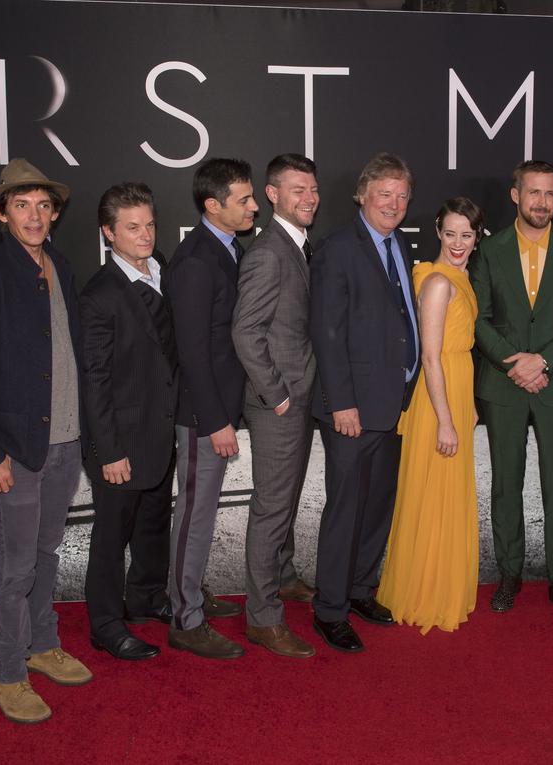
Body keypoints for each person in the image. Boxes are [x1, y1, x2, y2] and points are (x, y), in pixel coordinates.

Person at [0, 158, 92, 725]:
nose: (34, 216)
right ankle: (7, 673)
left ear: (54, 213)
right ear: (1, 213)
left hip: (65, 442)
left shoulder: (61, 266)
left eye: (43, 205)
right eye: (22, 205)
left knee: (46, 553)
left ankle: (42, 643)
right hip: (14, 450)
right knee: (16, 567)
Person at [471, 160, 553, 623]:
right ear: (516, 195)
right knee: (506, 485)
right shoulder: (489, 250)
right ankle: (509, 574)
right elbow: (479, 318)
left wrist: (542, 361)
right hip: (504, 385)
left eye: (550, 193)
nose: (542, 202)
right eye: (534, 192)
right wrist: (515, 363)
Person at [309, 152, 420, 653]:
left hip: (393, 404)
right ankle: (330, 609)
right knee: (346, 510)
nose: (393, 204)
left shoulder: (400, 244)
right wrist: (341, 403)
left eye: (402, 196)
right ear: (362, 196)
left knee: (377, 507)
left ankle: (359, 589)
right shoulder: (338, 248)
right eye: (384, 194)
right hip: (353, 409)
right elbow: (327, 333)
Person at [79, 183, 174, 661]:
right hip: (120, 442)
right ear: (109, 233)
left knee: (154, 525)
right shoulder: (100, 295)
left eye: (150, 225)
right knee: (111, 538)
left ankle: (147, 598)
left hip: (159, 432)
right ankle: (105, 624)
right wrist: (109, 451)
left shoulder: (161, 270)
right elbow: (94, 381)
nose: (145, 235)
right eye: (133, 228)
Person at [378, 197, 482, 634]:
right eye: (450, 233)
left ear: (477, 237)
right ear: (438, 232)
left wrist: (466, 404)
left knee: (444, 494)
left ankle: (438, 585)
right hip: (438, 397)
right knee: (433, 495)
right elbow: (431, 357)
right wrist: (445, 419)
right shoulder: (438, 282)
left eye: (466, 234)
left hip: (455, 391)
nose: (458, 243)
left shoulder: (457, 275)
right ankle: (425, 593)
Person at [231, 153, 321, 659]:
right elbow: (246, 332)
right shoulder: (268, 253)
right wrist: (278, 394)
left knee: (285, 500)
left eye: (313, 189)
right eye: (297, 190)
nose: (309, 198)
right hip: (278, 405)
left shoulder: (296, 244)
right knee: (271, 508)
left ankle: (283, 576)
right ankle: (263, 618)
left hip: (297, 396)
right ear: (272, 194)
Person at [166, 158, 256, 659]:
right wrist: (216, 419)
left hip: (217, 407)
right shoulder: (197, 260)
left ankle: (191, 593)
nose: (254, 206)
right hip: (203, 414)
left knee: (199, 513)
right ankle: (185, 618)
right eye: (244, 199)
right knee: (195, 517)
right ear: (212, 205)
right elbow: (192, 350)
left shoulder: (225, 248)